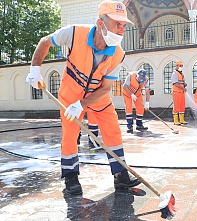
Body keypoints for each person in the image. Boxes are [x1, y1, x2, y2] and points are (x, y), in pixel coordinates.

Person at [25, 1, 141, 195]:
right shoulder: (73, 33)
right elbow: (45, 42)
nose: (121, 30)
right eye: (117, 24)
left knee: (113, 130)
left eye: (123, 25)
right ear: (101, 23)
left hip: (97, 96)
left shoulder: (118, 54)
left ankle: (121, 176)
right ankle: (71, 177)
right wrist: (35, 69)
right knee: (70, 134)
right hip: (71, 92)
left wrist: (83, 104)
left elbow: (105, 88)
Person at [122, 69, 150, 133]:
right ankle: (130, 126)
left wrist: (147, 102)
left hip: (137, 94)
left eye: (141, 78)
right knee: (129, 108)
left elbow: (147, 91)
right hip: (127, 93)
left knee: (140, 108)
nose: (140, 79)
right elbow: (124, 87)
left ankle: (139, 125)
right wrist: (131, 94)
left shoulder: (146, 80)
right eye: (139, 78)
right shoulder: (130, 76)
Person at [171, 61, 188, 125]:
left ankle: (182, 120)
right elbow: (175, 83)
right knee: (176, 106)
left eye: (181, 66)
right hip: (176, 92)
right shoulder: (174, 73)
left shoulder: (182, 74)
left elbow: (181, 82)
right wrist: (182, 88)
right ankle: (175, 121)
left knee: (182, 106)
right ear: (177, 66)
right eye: (180, 66)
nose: (181, 67)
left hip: (181, 92)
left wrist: (184, 84)